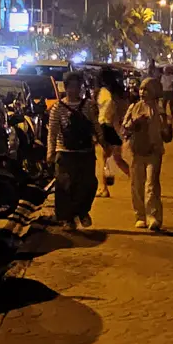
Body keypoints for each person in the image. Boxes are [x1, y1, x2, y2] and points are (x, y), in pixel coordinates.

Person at [47, 72, 106, 230]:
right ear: (65, 88)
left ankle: (82, 212)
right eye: (70, 86)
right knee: (64, 186)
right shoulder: (57, 108)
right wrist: (50, 153)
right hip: (64, 152)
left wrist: (102, 141)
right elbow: (52, 132)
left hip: (85, 152)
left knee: (88, 184)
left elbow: (95, 125)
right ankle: (67, 219)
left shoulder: (87, 106)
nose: (73, 90)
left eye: (76, 86)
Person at [123, 78, 173, 231]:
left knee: (151, 184)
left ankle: (153, 216)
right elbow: (124, 130)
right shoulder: (133, 108)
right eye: (141, 89)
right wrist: (133, 124)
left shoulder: (160, 111)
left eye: (146, 90)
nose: (142, 93)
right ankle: (140, 216)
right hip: (137, 151)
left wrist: (167, 128)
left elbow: (167, 136)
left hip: (154, 151)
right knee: (137, 185)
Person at [96, 68, 130, 198]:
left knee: (102, 159)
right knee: (117, 159)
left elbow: (105, 111)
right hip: (117, 128)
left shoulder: (104, 92)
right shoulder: (119, 93)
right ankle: (136, 181)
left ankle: (103, 188)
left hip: (106, 127)